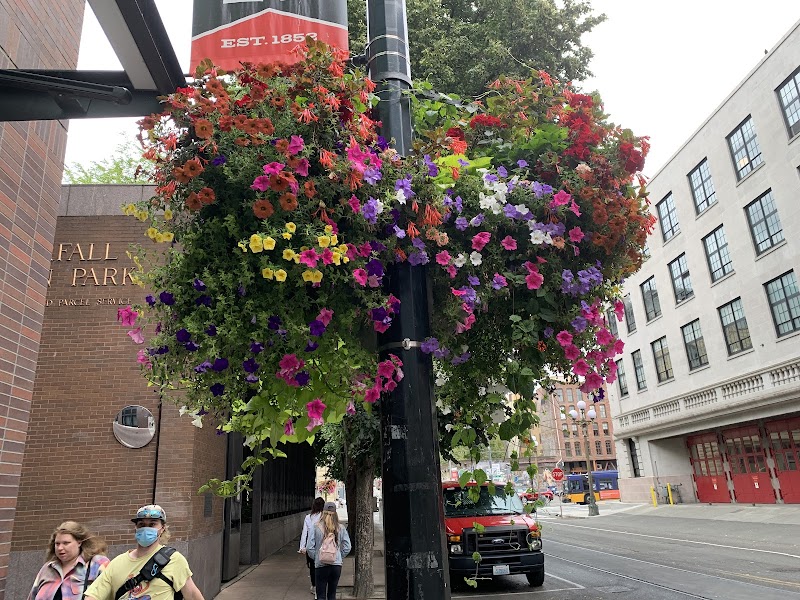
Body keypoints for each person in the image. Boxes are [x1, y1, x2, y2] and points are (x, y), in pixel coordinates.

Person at [84, 505, 204, 600]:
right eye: (141, 524)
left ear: (162, 529)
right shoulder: (117, 563)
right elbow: (94, 594)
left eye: (152, 524)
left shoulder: (174, 559)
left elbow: (192, 595)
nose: (146, 528)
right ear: (136, 528)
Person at [27, 521, 110, 600]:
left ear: (79, 542)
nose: (60, 548)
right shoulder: (47, 569)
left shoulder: (97, 564)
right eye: (57, 544)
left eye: (66, 543)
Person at [307, 501, 351, 600]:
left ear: (323, 512)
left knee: (321, 595)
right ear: (335, 513)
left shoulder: (316, 527)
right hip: (336, 565)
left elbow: (309, 547)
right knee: (332, 594)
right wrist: (338, 556)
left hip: (321, 565)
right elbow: (347, 547)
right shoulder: (341, 528)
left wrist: (318, 557)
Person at [299, 497, 325, 596]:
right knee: (323, 565)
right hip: (322, 545)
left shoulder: (308, 517)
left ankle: (314, 585)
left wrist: (302, 547)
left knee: (313, 567)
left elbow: (304, 533)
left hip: (311, 546)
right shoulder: (324, 517)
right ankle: (321, 585)